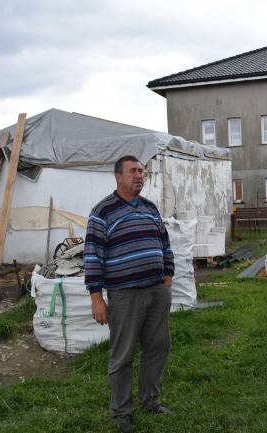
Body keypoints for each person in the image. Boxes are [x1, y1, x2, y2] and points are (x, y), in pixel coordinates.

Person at [84, 155, 175, 433]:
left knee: (157, 347)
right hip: (124, 295)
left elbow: (164, 243)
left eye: (141, 171)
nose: (139, 175)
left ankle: (151, 400)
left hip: (157, 290)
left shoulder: (150, 207)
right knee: (122, 355)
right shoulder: (103, 211)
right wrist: (96, 297)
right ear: (118, 176)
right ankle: (122, 412)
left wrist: (167, 277)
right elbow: (92, 256)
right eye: (133, 171)